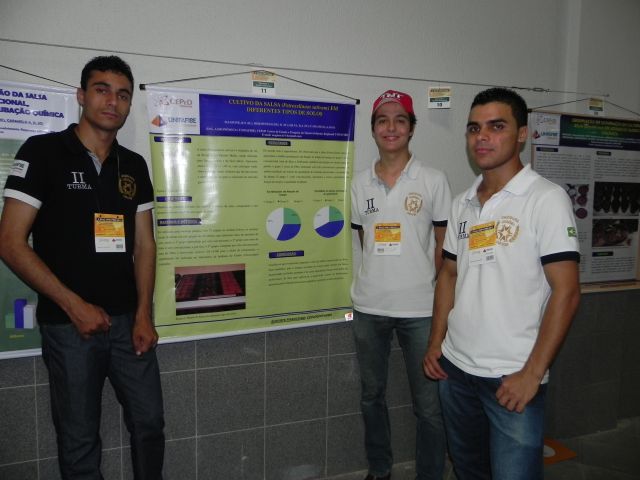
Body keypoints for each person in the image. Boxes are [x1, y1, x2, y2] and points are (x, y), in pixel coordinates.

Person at [0, 56, 164, 479]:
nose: (112, 101)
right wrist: (74, 306)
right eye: (102, 90)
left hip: (128, 325)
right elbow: (10, 242)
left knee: (149, 423)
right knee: (79, 442)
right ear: (81, 96)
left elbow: (145, 245)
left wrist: (144, 314)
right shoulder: (43, 152)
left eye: (122, 95)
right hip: (68, 326)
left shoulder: (134, 165)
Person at [423, 88, 581, 480]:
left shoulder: (545, 199)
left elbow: (567, 291)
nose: (482, 137)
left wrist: (532, 374)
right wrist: (436, 342)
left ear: (522, 134)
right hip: (456, 370)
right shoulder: (462, 203)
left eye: (496, 126)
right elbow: (449, 274)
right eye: (474, 128)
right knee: (469, 470)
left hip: (512, 377)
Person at [351, 90, 451, 480]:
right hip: (369, 306)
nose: (390, 127)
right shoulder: (359, 184)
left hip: (421, 310)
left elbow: (443, 247)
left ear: (411, 128)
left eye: (400, 120)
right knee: (371, 397)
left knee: (429, 407)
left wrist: (424, 283)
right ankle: (380, 470)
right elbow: (365, 240)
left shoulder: (433, 180)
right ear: (373, 129)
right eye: (382, 120)